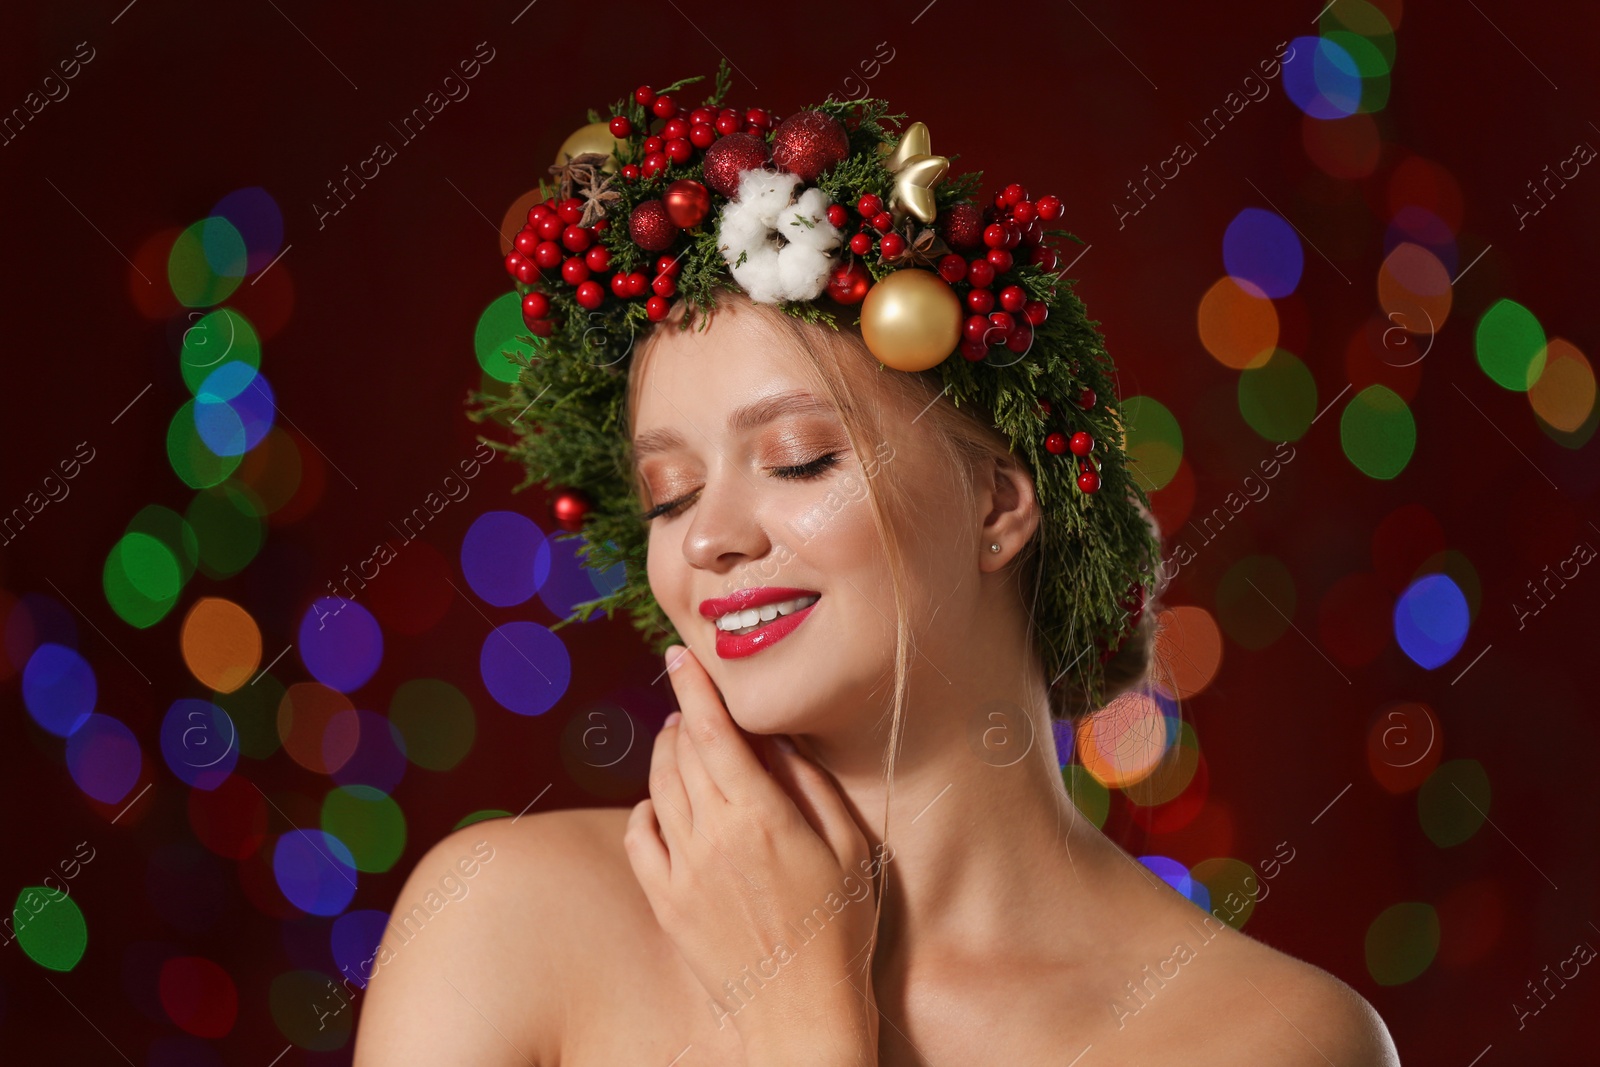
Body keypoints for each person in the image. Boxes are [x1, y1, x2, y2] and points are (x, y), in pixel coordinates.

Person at [352, 283, 1398, 1065]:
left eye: (801, 457)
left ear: (996, 504)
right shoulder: (505, 918)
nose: (708, 536)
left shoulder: (1264, 1037)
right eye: (669, 492)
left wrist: (800, 1014)